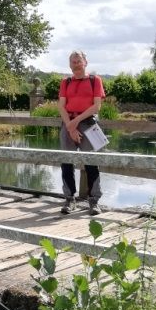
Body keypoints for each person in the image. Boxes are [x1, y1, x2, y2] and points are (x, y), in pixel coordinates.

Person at [58, 50, 106, 215]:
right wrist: (70, 127)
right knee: (66, 162)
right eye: (73, 61)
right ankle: (70, 200)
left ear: (85, 62)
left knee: (91, 162)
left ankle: (94, 202)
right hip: (68, 124)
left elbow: (96, 106)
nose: (76, 64)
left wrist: (75, 123)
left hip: (87, 124)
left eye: (79, 61)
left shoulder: (95, 80)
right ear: (69, 65)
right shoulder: (65, 82)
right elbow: (61, 106)